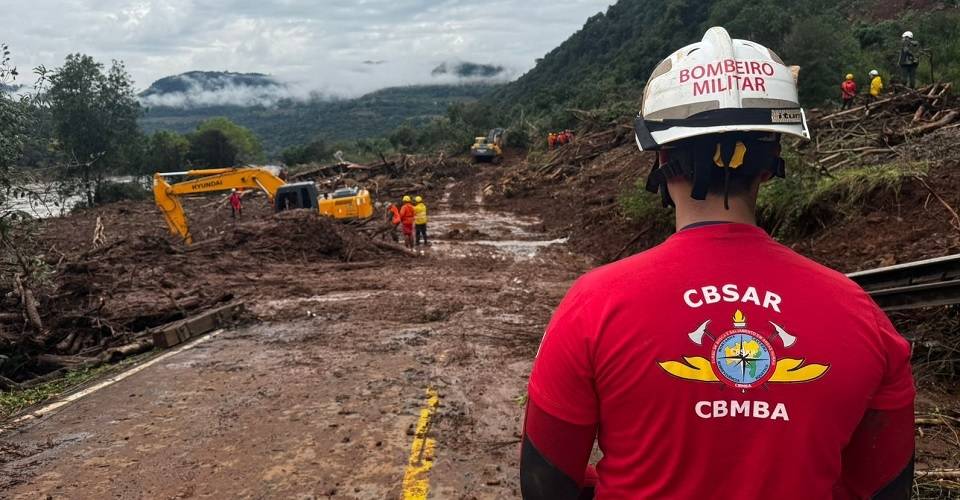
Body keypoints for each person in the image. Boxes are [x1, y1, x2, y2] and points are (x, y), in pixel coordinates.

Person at [522, 27, 915, 500]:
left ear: (662, 157)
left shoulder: (593, 306)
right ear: (771, 162)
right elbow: (885, 488)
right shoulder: (863, 317)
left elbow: (545, 486)